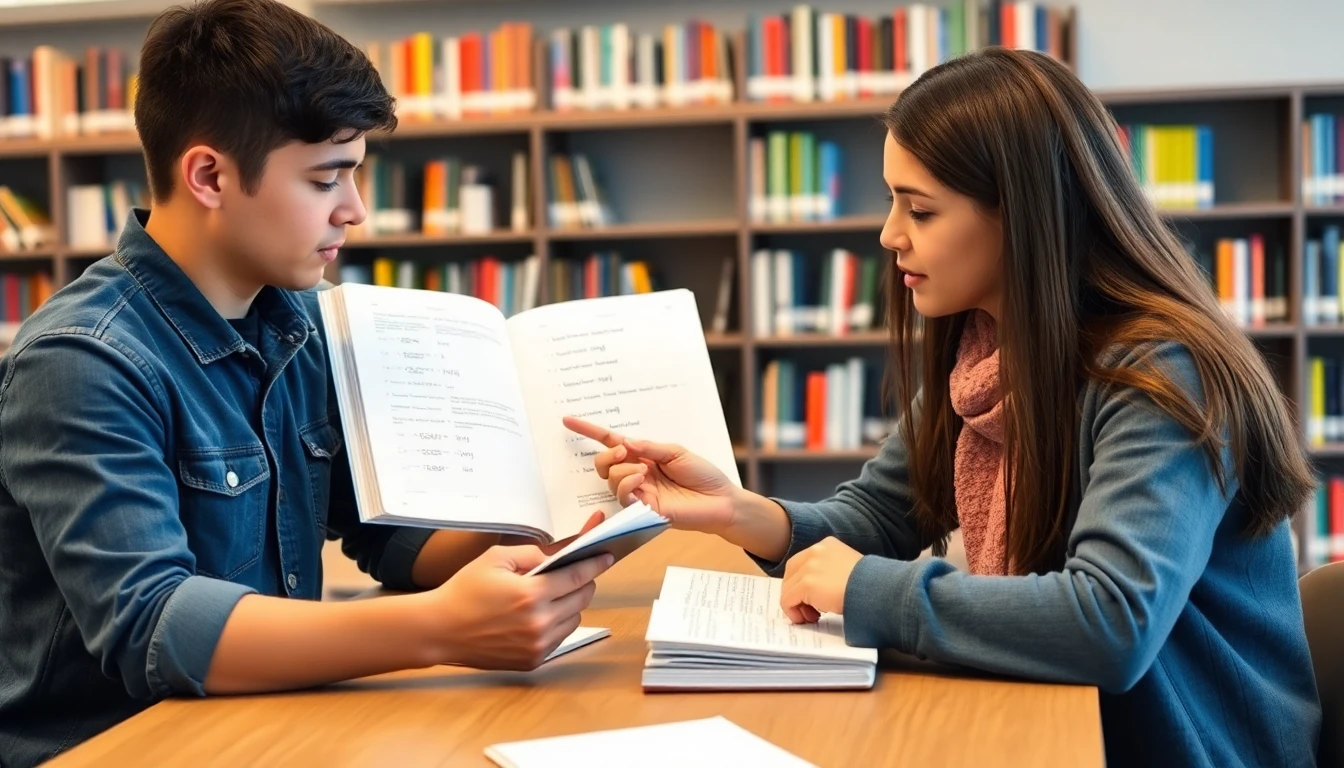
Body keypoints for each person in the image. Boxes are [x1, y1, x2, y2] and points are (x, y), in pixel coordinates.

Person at [565, 47, 1321, 767]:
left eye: (920, 210)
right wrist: (738, 512)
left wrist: (867, 589)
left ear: (1024, 218)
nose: (891, 235)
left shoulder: (1162, 375)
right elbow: (883, 515)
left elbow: (1111, 622)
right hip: (1066, 718)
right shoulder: (987, 351)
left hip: (1183, 744)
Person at [0, 1, 608, 765]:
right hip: (109, 747)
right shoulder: (81, 361)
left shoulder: (305, 324)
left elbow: (395, 538)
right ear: (210, 175)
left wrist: (563, 516)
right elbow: (154, 624)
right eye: (328, 179)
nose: (355, 211)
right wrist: (440, 628)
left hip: (261, 727)